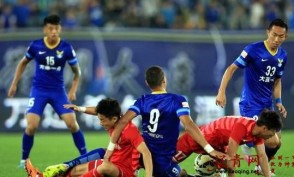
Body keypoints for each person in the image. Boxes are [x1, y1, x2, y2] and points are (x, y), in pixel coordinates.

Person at [105, 65, 229, 177]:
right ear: (164, 79)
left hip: (141, 153)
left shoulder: (142, 100)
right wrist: (210, 149)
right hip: (162, 159)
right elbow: (188, 125)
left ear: (147, 83)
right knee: (176, 174)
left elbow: (122, 122)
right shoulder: (177, 100)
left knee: (180, 174)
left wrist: (110, 149)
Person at [7, 14, 86, 167]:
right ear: (45, 29)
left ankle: (86, 156)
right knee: (31, 126)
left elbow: (77, 72)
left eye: (57, 28)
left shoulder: (66, 48)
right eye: (51, 28)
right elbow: (22, 63)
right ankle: (24, 160)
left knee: (72, 124)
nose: (54, 31)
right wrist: (14, 83)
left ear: (60, 29)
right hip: (39, 90)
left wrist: (73, 90)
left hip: (58, 92)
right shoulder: (36, 45)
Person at [215, 18, 288, 165]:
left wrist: (279, 101)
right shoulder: (253, 50)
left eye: (280, 36)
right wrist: (221, 92)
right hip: (250, 104)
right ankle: (241, 148)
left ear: (285, 37)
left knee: (278, 141)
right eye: (274, 34)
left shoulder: (282, 55)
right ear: (268, 32)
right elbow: (231, 69)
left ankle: (259, 166)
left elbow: (277, 80)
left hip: (267, 105)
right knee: (271, 140)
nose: (276, 39)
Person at [24, 98, 153, 177]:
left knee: (103, 166)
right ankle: (43, 175)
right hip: (115, 162)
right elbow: (97, 110)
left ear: (114, 119)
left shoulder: (129, 130)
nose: (100, 123)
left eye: (102, 120)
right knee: (74, 171)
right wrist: (79, 108)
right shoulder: (114, 118)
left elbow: (146, 153)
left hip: (124, 171)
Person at [174, 110, 282, 177]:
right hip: (199, 138)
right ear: (264, 128)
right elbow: (231, 156)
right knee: (166, 164)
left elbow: (262, 157)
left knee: (223, 170)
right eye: (272, 132)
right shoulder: (242, 127)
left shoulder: (257, 134)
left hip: (217, 146)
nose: (272, 136)